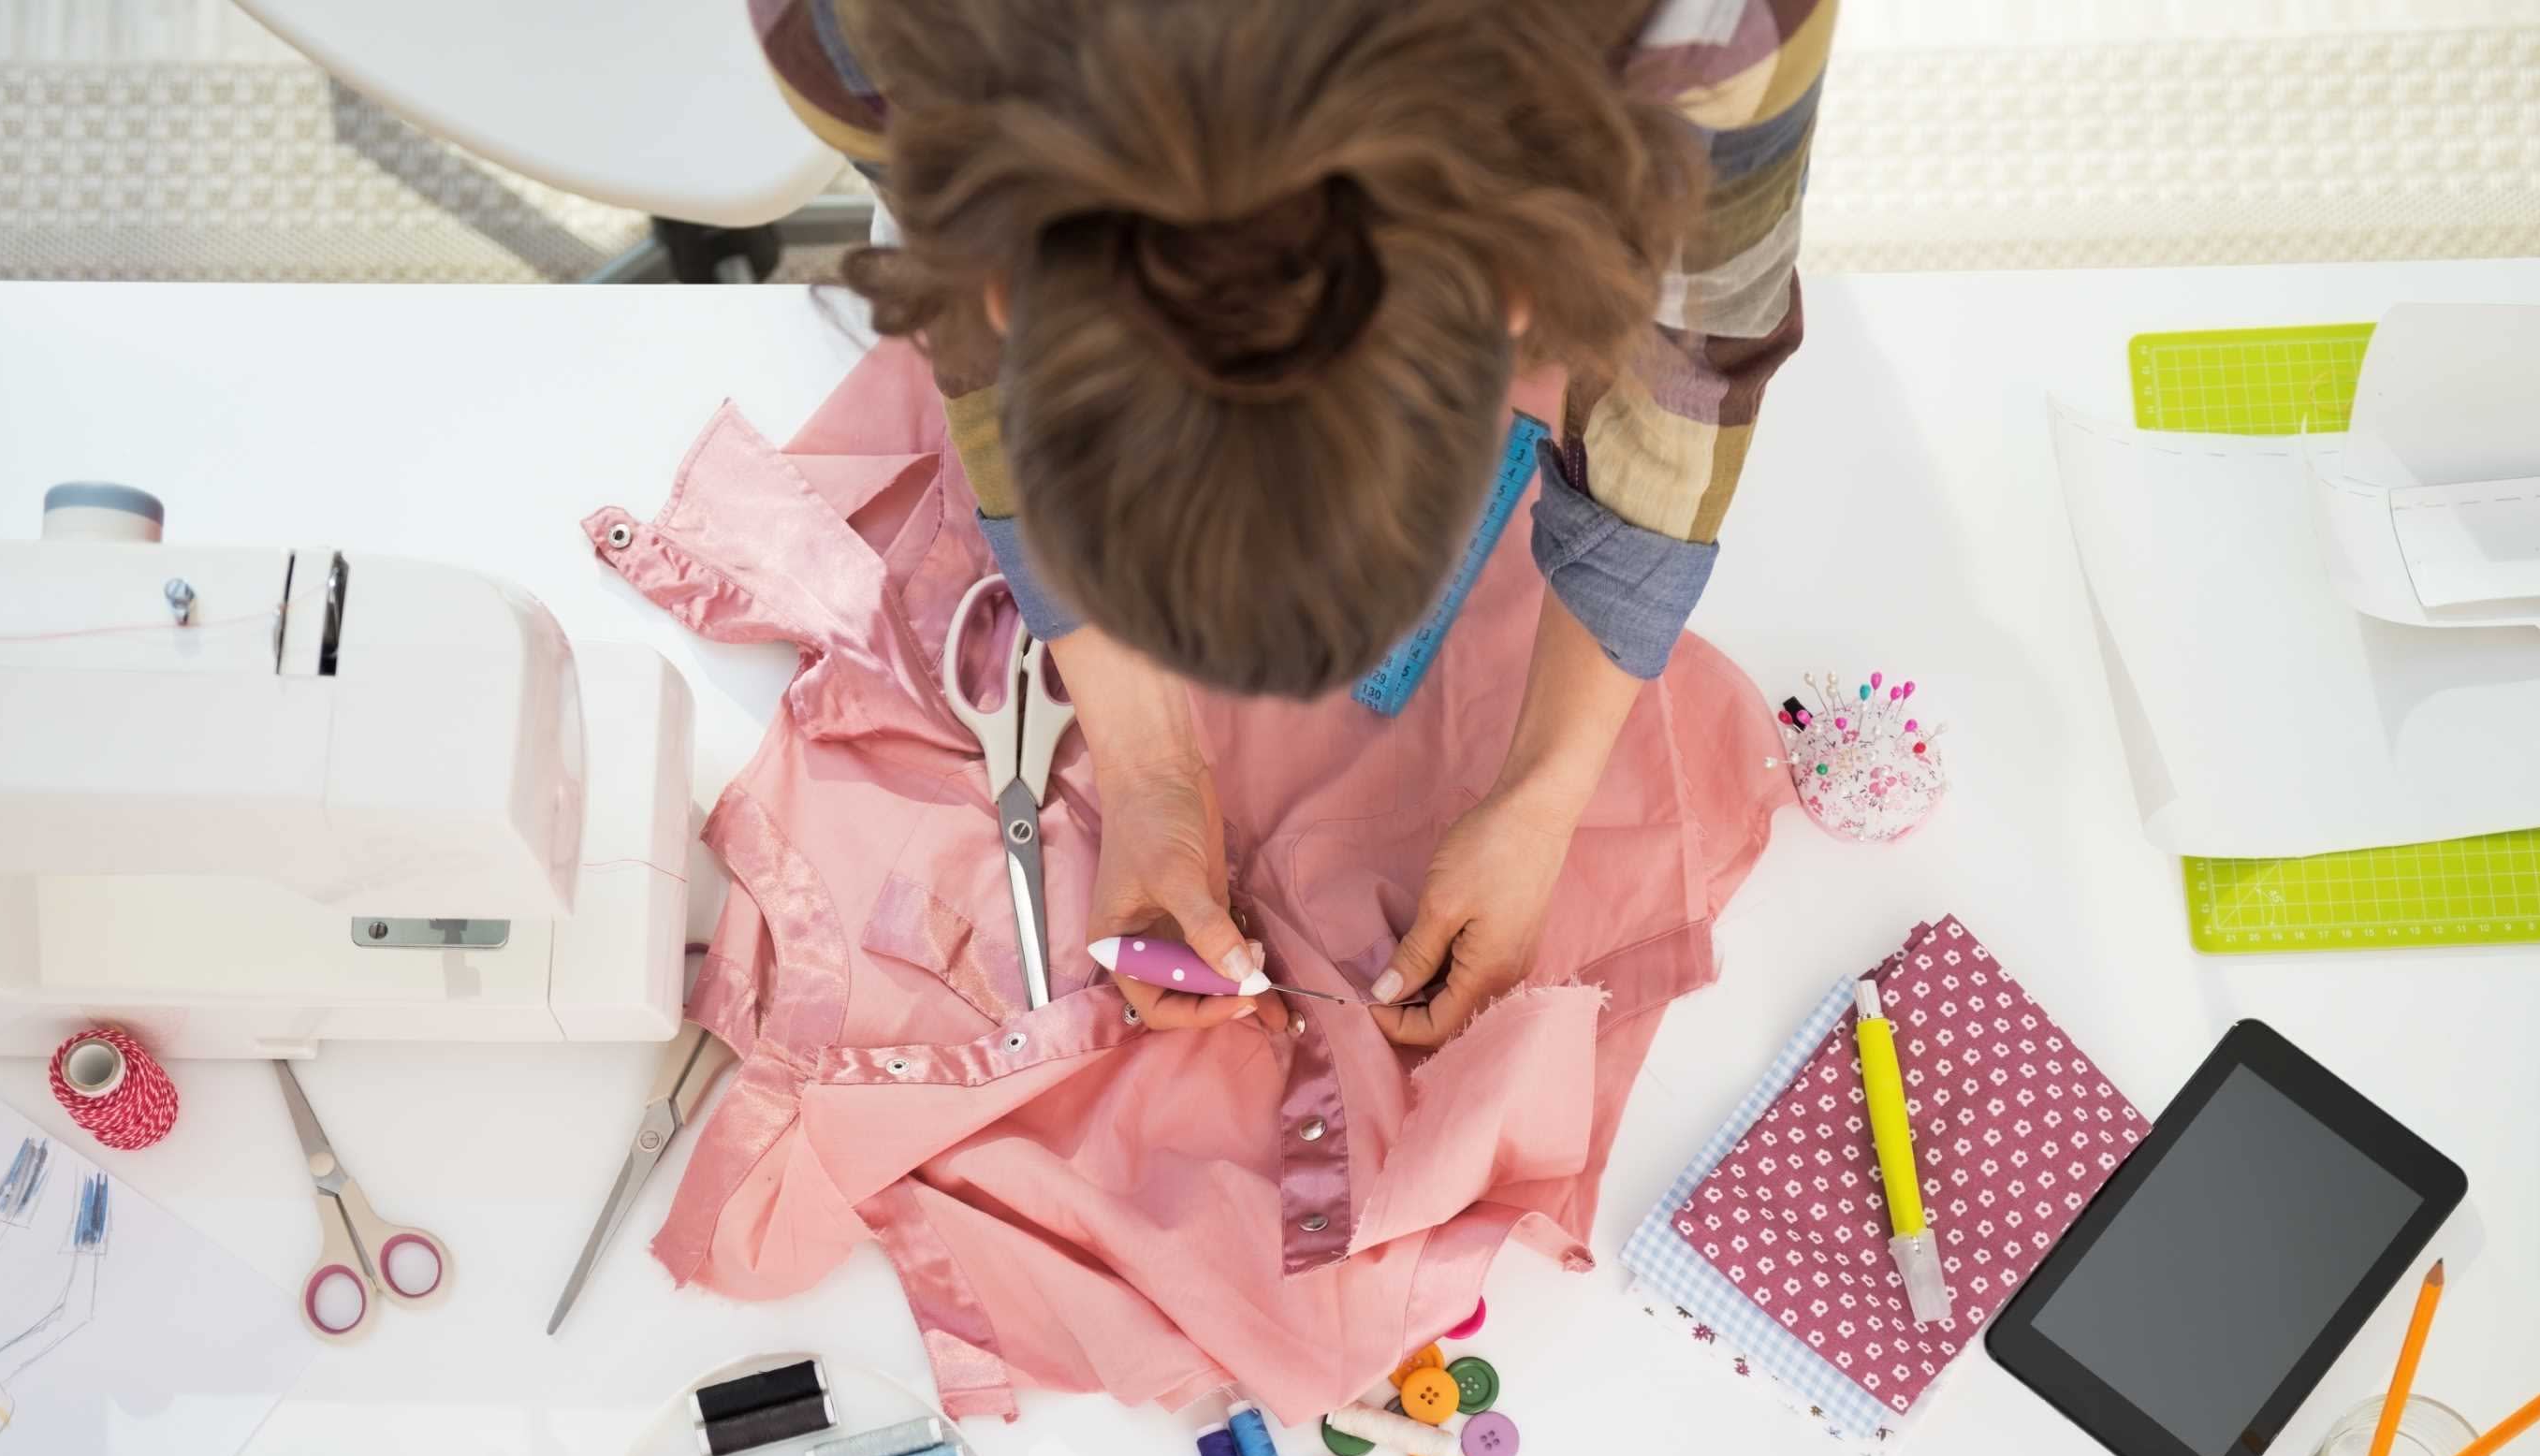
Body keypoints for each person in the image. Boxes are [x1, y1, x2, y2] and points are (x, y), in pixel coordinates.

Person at [756, 0, 1831, 1043]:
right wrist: (1147, 773)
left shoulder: (1714, 25)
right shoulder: (849, 28)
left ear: (1519, 301)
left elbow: (1695, 351)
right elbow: (975, 331)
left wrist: (1543, 796)